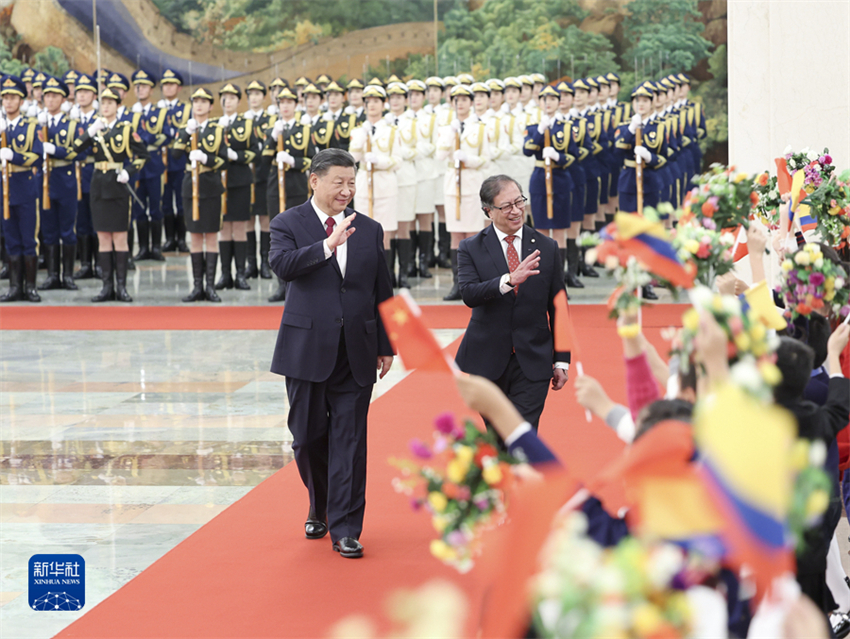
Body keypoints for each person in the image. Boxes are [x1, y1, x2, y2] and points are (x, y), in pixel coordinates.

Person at [268, 148, 394, 559]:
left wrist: (386, 344)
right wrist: (327, 245)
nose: (347, 190)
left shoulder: (370, 229)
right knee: (306, 439)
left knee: (350, 441)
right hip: (306, 349)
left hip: (356, 349)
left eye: (352, 182)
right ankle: (318, 504)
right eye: (338, 182)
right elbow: (283, 266)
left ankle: (345, 527)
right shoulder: (288, 222)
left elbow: (382, 290)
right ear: (315, 181)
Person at [454, 174, 571, 438]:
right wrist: (509, 280)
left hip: (533, 359)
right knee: (497, 438)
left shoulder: (546, 246)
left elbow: (559, 306)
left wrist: (562, 359)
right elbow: (469, 294)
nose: (516, 211)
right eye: (506, 206)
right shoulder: (470, 248)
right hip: (486, 362)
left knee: (522, 436)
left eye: (519, 202)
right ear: (488, 211)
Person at [71, 87, 149, 302]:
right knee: (103, 237)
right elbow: (75, 149)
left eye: (110, 103)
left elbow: (142, 155)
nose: (105, 106)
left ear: (117, 106)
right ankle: (107, 287)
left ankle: (122, 287)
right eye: (103, 103)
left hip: (117, 185)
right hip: (98, 184)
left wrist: (129, 171)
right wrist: (90, 132)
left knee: (120, 237)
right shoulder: (94, 128)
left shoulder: (126, 129)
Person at [172, 87, 229, 303]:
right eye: (196, 101)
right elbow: (176, 154)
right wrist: (187, 132)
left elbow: (224, 160)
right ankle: (197, 286)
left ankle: (210, 286)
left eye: (204, 101)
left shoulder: (216, 130)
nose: (199, 105)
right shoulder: (185, 129)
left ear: (211, 106)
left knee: (211, 236)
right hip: (191, 186)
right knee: (195, 237)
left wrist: (206, 159)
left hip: (210, 186)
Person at [436, 84, 492, 300]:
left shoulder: (480, 127)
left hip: (472, 181)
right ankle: (457, 284)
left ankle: (474, 282)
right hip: (452, 183)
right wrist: (449, 137)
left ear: (470, 102)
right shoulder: (447, 127)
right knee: (456, 235)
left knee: (473, 234)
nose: (460, 103)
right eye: (456, 100)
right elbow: (440, 155)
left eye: (464, 99)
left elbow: (486, 159)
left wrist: (469, 159)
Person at [261, 86, 316, 302]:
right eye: (281, 102)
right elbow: (263, 159)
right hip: (276, 187)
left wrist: (294, 161)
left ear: (295, 105)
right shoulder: (272, 130)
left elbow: (313, 160)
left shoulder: (304, 130)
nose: (285, 106)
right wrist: (272, 139)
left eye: (289, 102)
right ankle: (280, 284)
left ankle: (299, 283)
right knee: (278, 236)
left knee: (298, 234)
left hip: (295, 186)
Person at [523, 85, 577, 286]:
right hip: (539, 178)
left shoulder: (566, 127)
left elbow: (574, 155)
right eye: (544, 100)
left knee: (560, 230)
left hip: (560, 179)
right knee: (542, 231)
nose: (548, 103)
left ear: (558, 102)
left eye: (552, 99)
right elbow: (527, 150)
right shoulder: (533, 126)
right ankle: (544, 280)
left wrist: (558, 156)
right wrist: (539, 131)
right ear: (539, 102)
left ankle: (560, 280)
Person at [348, 84, 402, 283]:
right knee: (364, 233)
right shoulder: (358, 130)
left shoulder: (391, 131)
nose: (372, 105)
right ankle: (366, 277)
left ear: (383, 104)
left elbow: (398, 161)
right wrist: (361, 138)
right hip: (364, 183)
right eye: (368, 102)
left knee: (384, 233)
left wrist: (379, 161)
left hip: (384, 182)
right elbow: (351, 157)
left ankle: (384, 277)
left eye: (376, 101)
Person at [0, 75, 43, 303]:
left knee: (28, 238)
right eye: (5, 98)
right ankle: (15, 287)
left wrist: (14, 156)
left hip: (24, 187)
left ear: (21, 100)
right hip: (3, 188)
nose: (8, 102)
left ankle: (30, 287)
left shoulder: (30, 127)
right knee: (11, 238)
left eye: (12, 98)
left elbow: (37, 157)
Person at [37, 75, 82, 291]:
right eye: (47, 96)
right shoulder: (36, 124)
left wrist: (55, 150)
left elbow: (77, 152)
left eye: (55, 96)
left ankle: (68, 275)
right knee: (48, 229)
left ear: (63, 99)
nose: (50, 100)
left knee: (67, 230)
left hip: (65, 181)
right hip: (44, 180)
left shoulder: (72, 125)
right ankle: (52, 275)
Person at [216, 83, 259, 292]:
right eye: (224, 97)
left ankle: (240, 274)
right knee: (224, 229)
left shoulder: (247, 125)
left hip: (240, 180)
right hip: (220, 181)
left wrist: (237, 156)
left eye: (232, 97)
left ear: (239, 101)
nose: (228, 101)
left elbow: (254, 151)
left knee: (240, 227)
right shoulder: (216, 124)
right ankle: (225, 275)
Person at [129, 69, 170, 262]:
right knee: (138, 207)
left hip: (153, 164)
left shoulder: (160, 113)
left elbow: (166, 135)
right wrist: (145, 140)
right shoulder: (130, 114)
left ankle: (156, 247)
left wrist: (145, 138)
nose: (140, 90)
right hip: (136, 165)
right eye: (137, 86)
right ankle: (143, 247)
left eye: (144, 86)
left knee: (155, 206)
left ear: (151, 90)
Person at [70, 73, 100, 280]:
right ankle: (85, 263)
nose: (81, 95)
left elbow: (96, 149)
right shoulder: (70, 120)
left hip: (95, 172)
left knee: (96, 219)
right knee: (80, 220)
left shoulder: (100, 121)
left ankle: (99, 264)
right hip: (75, 173)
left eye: (86, 92)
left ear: (94, 95)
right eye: (79, 92)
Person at [243, 78, 273, 279]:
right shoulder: (241, 120)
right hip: (246, 174)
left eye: (257, 94)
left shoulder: (271, 120)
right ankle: (250, 263)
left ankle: (265, 262)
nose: (254, 98)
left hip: (264, 173)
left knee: (264, 219)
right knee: (247, 220)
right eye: (251, 94)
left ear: (264, 97)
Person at [159, 68, 190, 254]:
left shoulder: (186, 109)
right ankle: (169, 238)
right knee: (165, 202)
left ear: (178, 88)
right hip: (161, 163)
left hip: (180, 162)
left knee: (181, 201)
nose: (168, 88)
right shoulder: (157, 110)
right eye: (165, 85)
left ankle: (181, 239)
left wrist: (171, 134)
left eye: (171, 85)